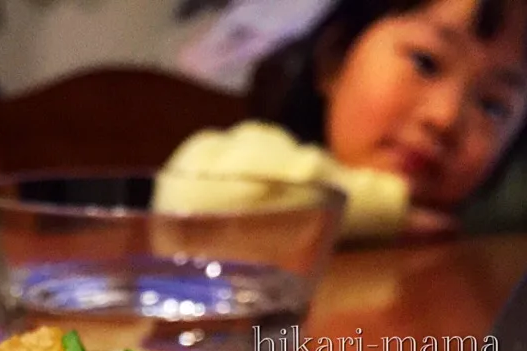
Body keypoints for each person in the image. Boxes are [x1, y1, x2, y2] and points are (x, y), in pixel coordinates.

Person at [157, 0, 527, 240]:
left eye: (494, 106)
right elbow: (194, 194)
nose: (444, 117)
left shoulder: (484, 231)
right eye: (425, 62)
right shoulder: (260, 160)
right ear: (335, 59)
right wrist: (390, 212)